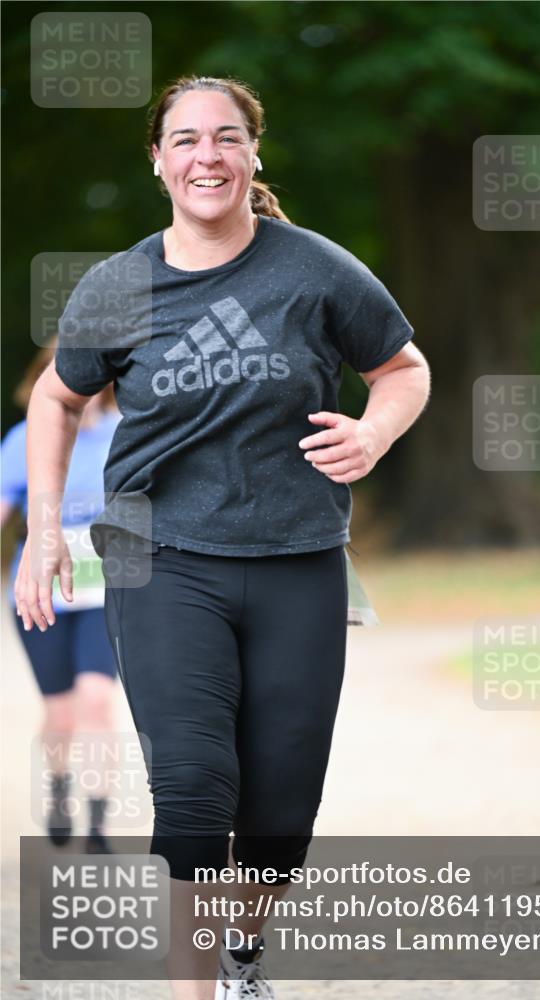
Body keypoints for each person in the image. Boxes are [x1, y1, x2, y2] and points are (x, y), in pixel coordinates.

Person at [15, 75, 431, 1000]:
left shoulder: (316, 269)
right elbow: (56, 394)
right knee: (196, 788)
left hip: (297, 558)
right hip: (153, 554)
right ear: (158, 161)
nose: (208, 155)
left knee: (280, 812)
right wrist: (46, 526)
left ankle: (243, 949)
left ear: (251, 155)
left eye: (227, 137)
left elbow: (402, 368)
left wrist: (373, 431)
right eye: (187, 139)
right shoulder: (118, 284)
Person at [2, 337, 120, 852]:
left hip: (108, 593)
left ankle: (97, 824)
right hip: (41, 593)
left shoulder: (128, 433)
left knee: (96, 701)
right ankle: (57, 789)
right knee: (63, 711)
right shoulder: (23, 439)